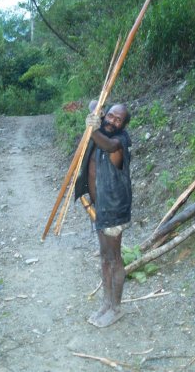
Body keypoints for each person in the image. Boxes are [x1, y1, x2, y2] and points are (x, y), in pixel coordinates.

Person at [75, 101, 132, 328]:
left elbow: (108, 145)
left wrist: (94, 127)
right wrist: (93, 112)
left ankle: (116, 308)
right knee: (104, 257)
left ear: (124, 125)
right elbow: (95, 105)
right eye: (110, 116)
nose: (112, 121)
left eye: (118, 120)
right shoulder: (99, 133)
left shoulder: (120, 141)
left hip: (115, 209)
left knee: (114, 258)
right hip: (100, 208)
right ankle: (106, 303)